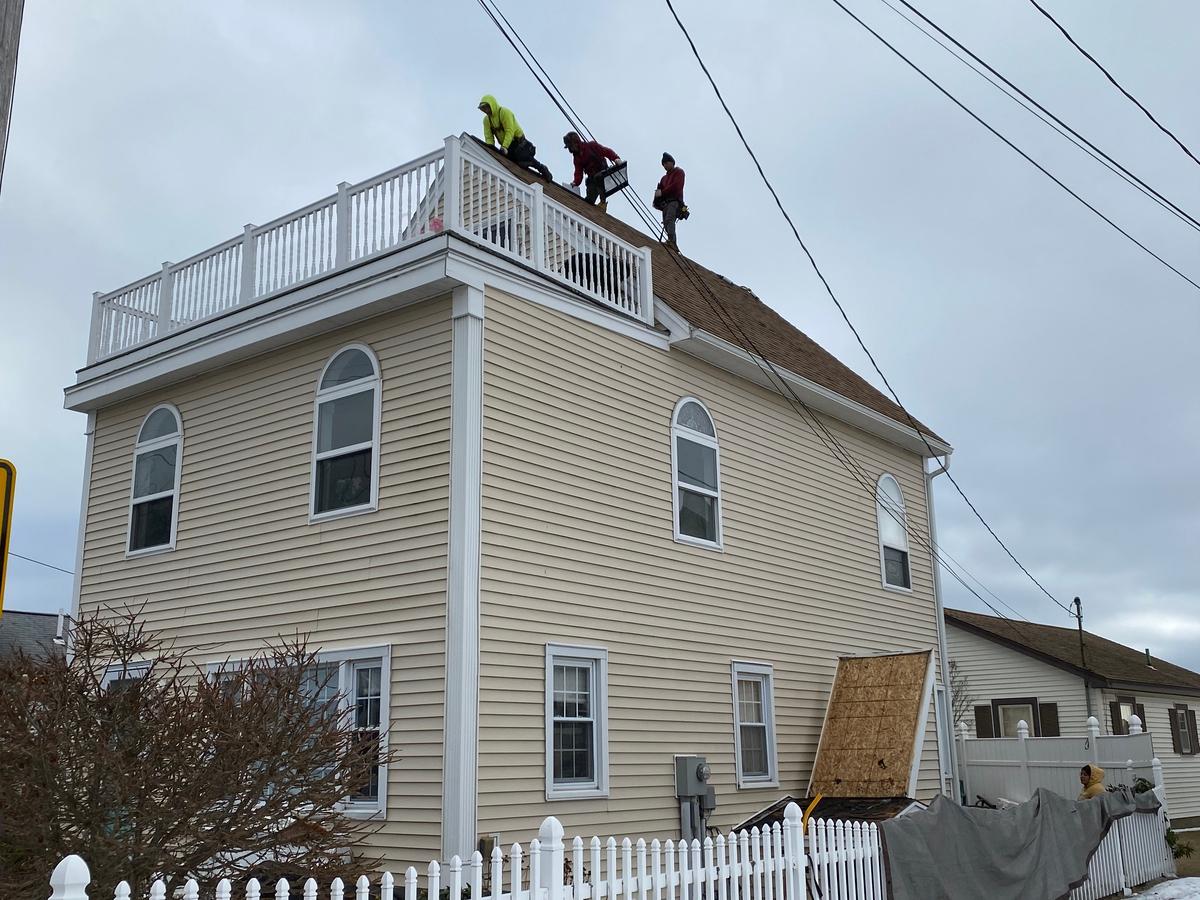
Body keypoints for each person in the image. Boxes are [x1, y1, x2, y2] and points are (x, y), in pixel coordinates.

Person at [478, 94, 552, 181]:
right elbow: (488, 136)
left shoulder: (504, 112)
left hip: (519, 143)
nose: (486, 110)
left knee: (525, 159)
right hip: (507, 147)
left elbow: (510, 131)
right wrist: (489, 149)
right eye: (483, 109)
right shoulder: (487, 120)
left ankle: (542, 169)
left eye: (487, 107)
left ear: (492, 105)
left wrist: (504, 146)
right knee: (513, 165)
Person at [563, 131, 621, 209]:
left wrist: (616, 159)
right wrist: (575, 182)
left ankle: (603, 202)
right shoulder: (577, 158)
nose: (570, 149)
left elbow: (606, 151)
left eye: (570, 146)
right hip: (593, 178)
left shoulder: (591, 146)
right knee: (589, 201)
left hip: (603, 174)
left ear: (576, 142)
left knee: (598, 177)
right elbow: (578, 172)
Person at [653, 152, 686, 250]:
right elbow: (659, 193)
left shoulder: (679, 172)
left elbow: (676, 186)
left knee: (669, 220)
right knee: (666, 223)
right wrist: (657, 198)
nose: (664, 166)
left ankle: (672, 241)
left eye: (666, 163)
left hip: (674, 201)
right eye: (663, 164)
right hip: (665, 204)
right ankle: (672, 243)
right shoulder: (663, 179)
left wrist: (662, 192)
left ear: (672, 162)